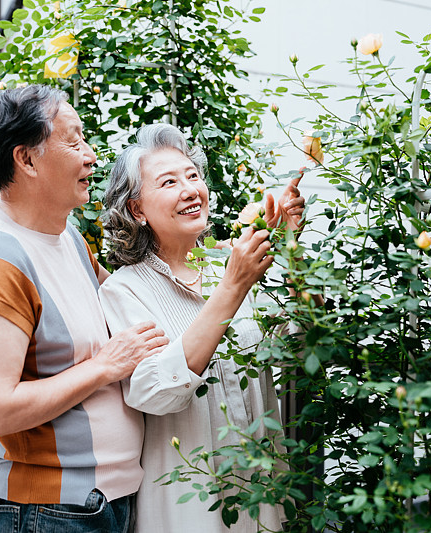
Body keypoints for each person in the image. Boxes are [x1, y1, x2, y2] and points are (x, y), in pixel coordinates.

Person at [0, 85, 169, 533]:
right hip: (50, 512)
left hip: (100, 504)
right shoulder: (0, 264)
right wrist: (102, 367)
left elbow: (137, 303)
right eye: (73, 141)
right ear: (27, 160)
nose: (91, 155)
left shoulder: (67, 237)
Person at [98, 123, 305, 532]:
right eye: (169, 182)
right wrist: (233, 286)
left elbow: (295, 346)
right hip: (189, 511)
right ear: (137, 209)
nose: (190, 189)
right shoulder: (125, 290)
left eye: (193, 175)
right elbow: (156, 392)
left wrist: (292, 246)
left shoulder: (229, 265)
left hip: (261, 499)